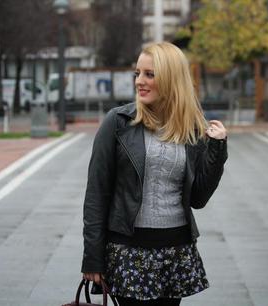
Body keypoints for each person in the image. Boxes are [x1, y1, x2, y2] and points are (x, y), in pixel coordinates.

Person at [81, 42, 228, 306]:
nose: (140, 81)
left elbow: (198, 198)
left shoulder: (191, 128)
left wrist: (217, 149)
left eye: (150, 74)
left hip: (176, 251)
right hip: (128, 252)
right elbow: (96, 194)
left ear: (172, 78)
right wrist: (92, 256)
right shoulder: (118, 122)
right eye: (138, 73)